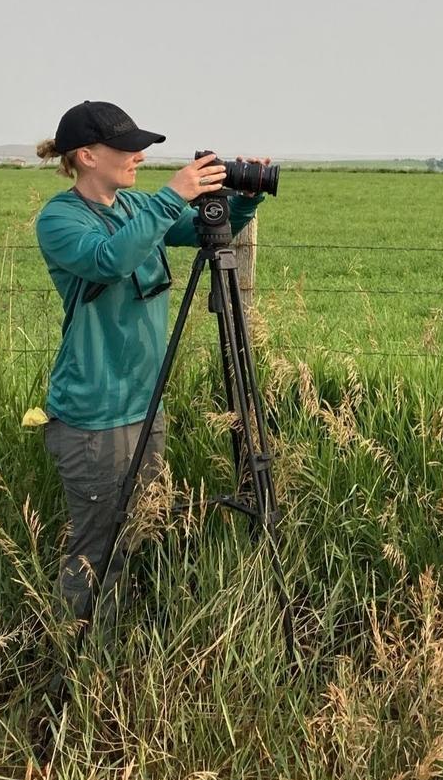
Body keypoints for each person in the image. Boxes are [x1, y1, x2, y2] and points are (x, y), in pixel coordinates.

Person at [33, 100, 268, 625]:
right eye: (128, 147)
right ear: (88, 156)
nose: (139, 156)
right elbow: (108, 260)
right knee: (96, 553)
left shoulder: (136, 209)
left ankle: (114, 647)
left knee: (135, 533)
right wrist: (171, 196)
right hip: (94, 413)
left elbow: (210, 227)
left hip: (145, 404)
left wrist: (244, 201)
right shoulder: (61, 217)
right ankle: (76, 657)